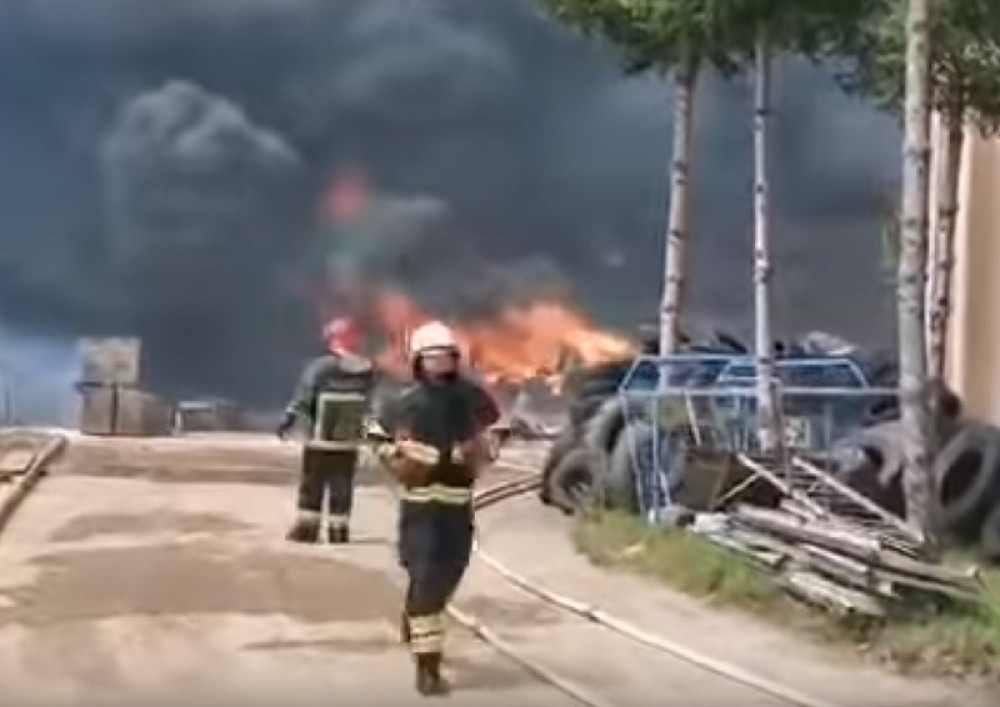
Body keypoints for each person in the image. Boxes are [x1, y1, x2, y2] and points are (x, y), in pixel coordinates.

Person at [375, 320, 500, 696]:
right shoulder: (403, 399)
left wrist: (481, 450)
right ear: (418, 361)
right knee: (427, 583)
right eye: (432, 357)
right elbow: (375, 435)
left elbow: (496, 427)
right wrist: (400, 455)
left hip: (457, 507)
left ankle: (415, 618)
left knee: (447, 578)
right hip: (421, 507)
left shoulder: (471, 397)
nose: (440, 363)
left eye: (445, 356)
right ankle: (427, 669)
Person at [277, 317, 375, 544]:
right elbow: (370, 407)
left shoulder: (320, 368)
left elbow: (303, 398)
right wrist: (377, 437)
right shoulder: (366, 370)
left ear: (331, 339)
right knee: (342, 485)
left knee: (313, 483)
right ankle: (338, 530)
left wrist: (288, 421)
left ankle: (307, 530)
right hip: (348, 442)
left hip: (319, 439)